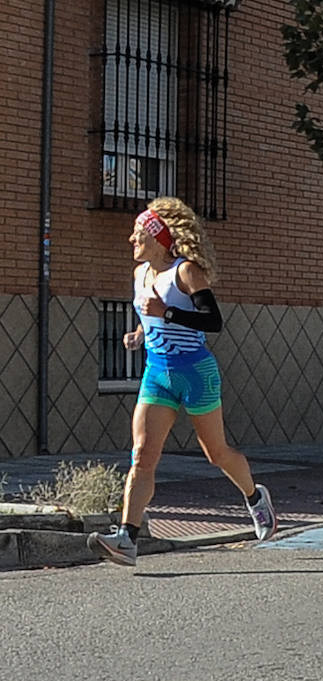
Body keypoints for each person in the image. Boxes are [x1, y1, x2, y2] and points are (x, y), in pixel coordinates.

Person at [88, 198, 278, 566]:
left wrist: (167, 313)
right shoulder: (140, 274)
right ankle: (127, 538)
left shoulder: (186, 272)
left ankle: (255, 497)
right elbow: (149, 313)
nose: (131, 239)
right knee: (142, 455)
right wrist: (140, 333)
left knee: (216, 453)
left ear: (158, 238)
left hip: (195, 373)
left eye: (138, 233)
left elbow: (212, 321)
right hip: (157, 373)